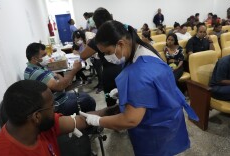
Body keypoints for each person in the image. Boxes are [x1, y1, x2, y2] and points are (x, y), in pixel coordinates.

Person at [79, 20, 198, 156]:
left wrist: (98, 120)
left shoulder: (139, 70)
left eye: (108, 52)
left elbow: (130, 119)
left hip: (156, 126)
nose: (106, 58)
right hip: (166, 113)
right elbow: (154, 82)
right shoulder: (141, 49)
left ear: (121, 44)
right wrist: (126, 91)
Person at [0, 80, 118, 155]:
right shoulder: (3, 152)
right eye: (52, 106)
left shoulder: (41, 125)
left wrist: (112, 110)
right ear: (37, 116)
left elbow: (81, 120)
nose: (55, 109)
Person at [24, 43, 96, 115]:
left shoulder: (40, 66)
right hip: (56, 105)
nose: (47, 57)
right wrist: (74, 70)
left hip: (61, 96)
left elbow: (59, 78)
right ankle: (85, 124)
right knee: (89, 101)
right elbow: (60, 86)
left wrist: (62, 81)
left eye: (46, 54)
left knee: (85, 95)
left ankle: (84, 121)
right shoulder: (35, 72)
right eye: (43, 55)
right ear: (34, 58)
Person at [80, 7, 122, 107]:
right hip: (127, 69)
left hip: (110, 74)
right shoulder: (121, 29)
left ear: (95, 22)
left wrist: (87, 43)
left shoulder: (99, 37)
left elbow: (83, 55)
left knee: (111, 102)